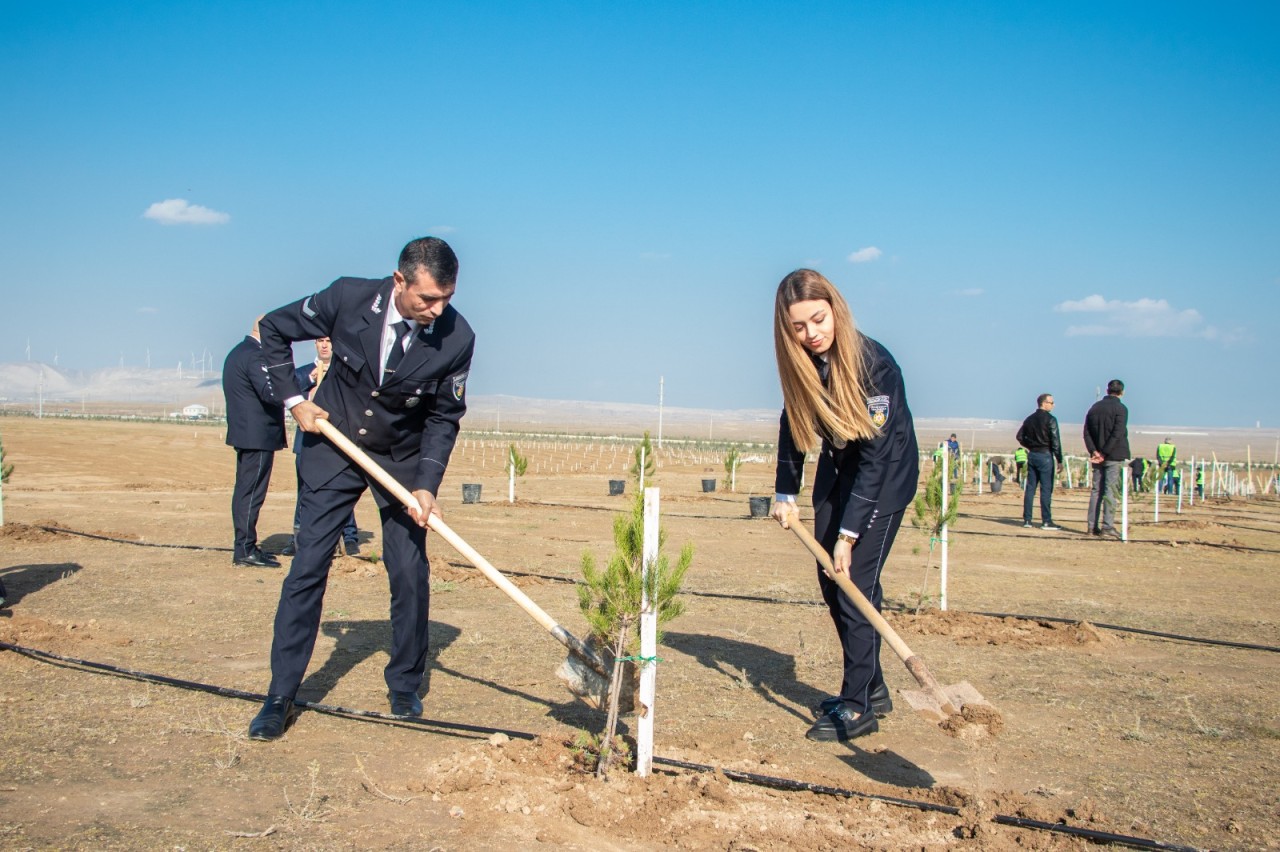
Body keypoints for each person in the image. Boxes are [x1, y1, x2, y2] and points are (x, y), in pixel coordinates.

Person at [247, 236, 475, 741]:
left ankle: (405, 683)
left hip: (400, 458)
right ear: (399, 281)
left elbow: (444, 416)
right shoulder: (348, 297)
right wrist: (293, 400)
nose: (437, 310)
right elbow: (273, 329)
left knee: (409, 569)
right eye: (427, 299)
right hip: (335, 444)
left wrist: (426, 485)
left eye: (446, 298)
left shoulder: (458, 337)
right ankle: (280, 694)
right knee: (307, 565)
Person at [770, 269, 919, 742]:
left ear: (834, 308)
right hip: (839, 468)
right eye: (799, 326)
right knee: (829, 578)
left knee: (852, 577)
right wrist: (784, 492)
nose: (812, 334)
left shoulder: (876, 365)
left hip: (885, 474)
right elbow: (792, 423)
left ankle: (857, 707)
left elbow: (875, 459)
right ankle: (870, 685)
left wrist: (849, 534)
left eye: (818, 319)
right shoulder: (803, 364)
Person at [281, 337, 360, 557]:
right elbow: (288, 398)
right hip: (306, 443)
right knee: (305, 493)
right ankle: (299, 538)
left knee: (341, 491)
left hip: (338, 443)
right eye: (319, 341)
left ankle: (350, 537)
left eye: (328, 341)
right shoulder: (301, 373)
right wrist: (310, 381)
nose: (324, 345)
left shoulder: (344, 373)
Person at [222, 317, 287, 568]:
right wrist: (299, 384)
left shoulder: (238, 352)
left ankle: (246, 545)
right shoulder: (255, 355)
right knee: (251, 493)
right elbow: (270, 392)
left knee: (246, 490)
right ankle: (245, 549)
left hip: (247, 434)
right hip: (258, 435)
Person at [1083, 379, 1130, 539]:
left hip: (1097, 456)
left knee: (1096, 490)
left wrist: (1094, 451)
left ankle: (1091, 526)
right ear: (1122, 392)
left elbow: (1087, 432)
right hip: (1113, 455)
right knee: (1110, 490)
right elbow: (1117, 433)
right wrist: (1104, 453)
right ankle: (1107, 526)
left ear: (1107, 390)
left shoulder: (1094, 408)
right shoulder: (1121, 409)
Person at [1016, 393, 1063, 530]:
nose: (1053, 405)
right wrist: (1059, 459)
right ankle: (1046, 521)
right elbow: (1055, 441)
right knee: (1046, 489)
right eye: (1051, 402)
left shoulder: (1029, 419)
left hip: (1032, 455)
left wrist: (1030, 445)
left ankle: (1027, 520)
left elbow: (1020, 436)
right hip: (1045, 456)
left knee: (1030, 488)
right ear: (1044, 403)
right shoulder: (1051, 420)